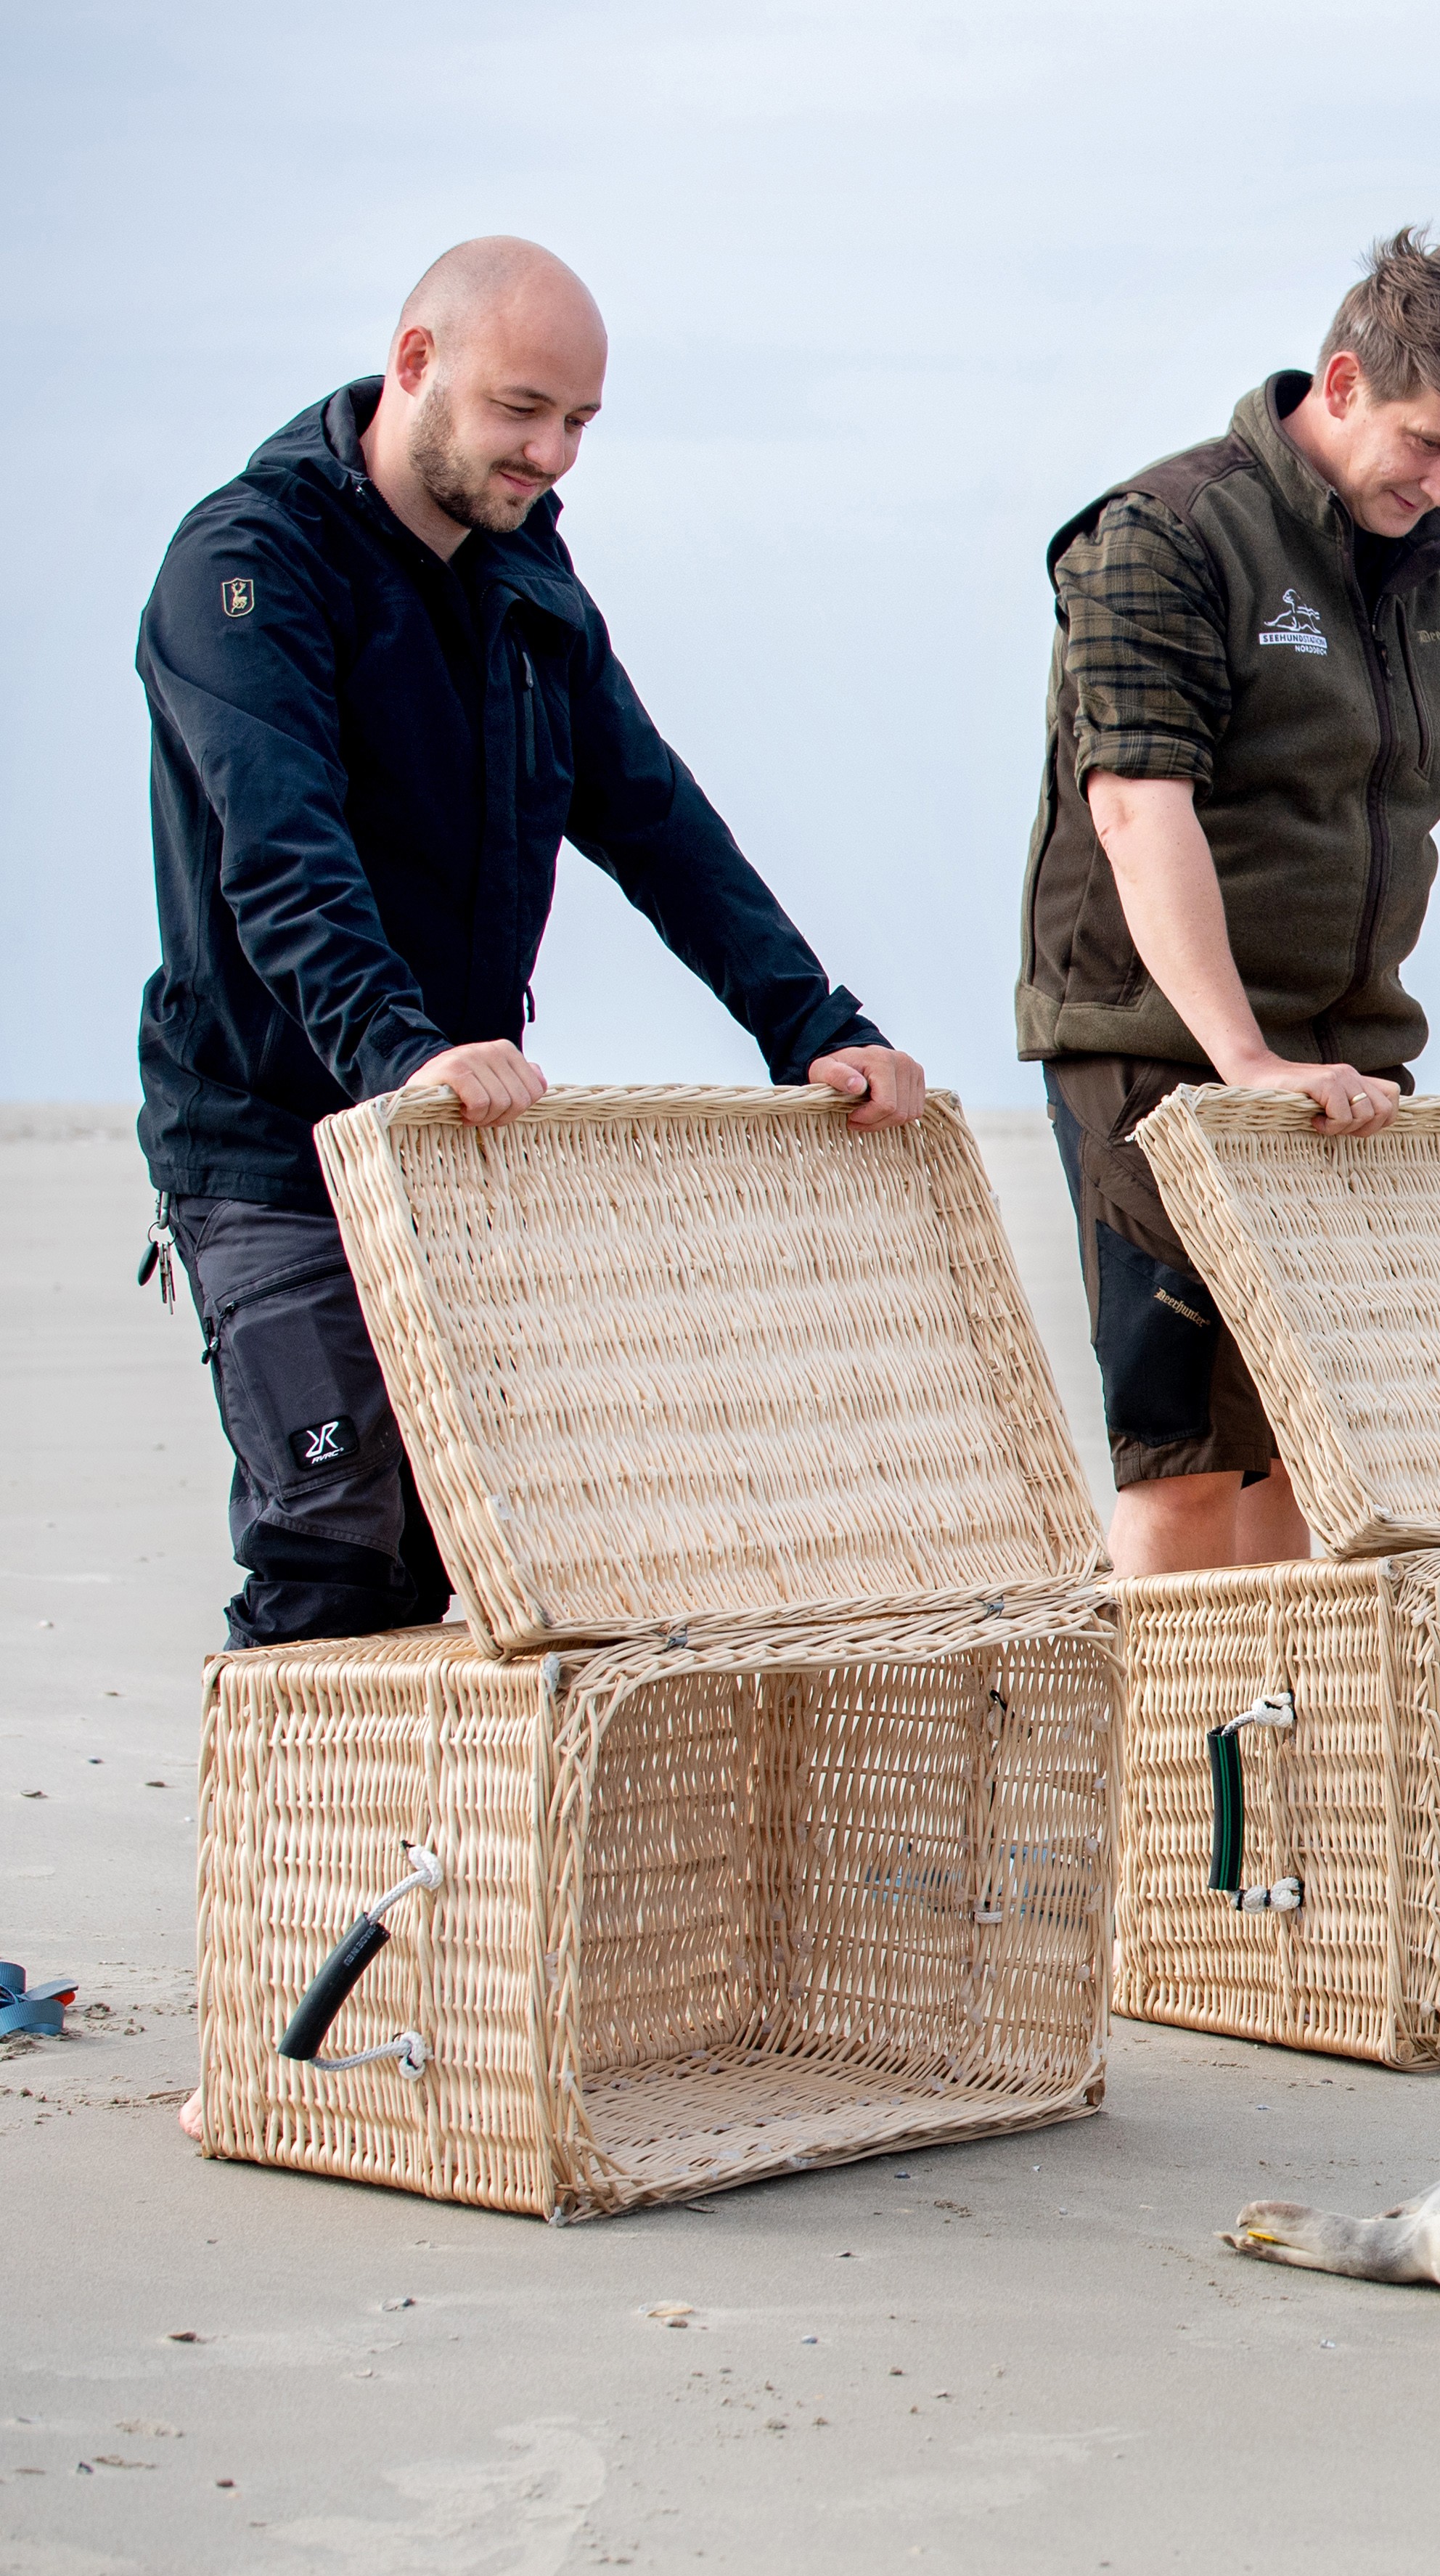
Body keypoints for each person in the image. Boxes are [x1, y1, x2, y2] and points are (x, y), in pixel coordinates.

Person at [135, 239, 928, 1650]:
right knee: (327, 1545)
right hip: (271, 1139)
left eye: (580, 424)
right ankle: (281, 1873)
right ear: (416, 363)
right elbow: (283, 854)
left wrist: (815, 1022)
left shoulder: (528, 581)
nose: (552, 454)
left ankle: (422, 1871)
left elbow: (654, 816)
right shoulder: (248, 564)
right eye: (523, 411)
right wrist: (404, 1052)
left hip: (451, 1142)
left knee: (461, 1547)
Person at [1015, 228, 1440, 1577]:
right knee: (1189, 1470)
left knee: (1316, 1470)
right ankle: (1165, 1785)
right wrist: (1245, 1061)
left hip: (1352, 1073)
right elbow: (1139, 807)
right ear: (1346, 379)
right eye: (1427, 443)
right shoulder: (1164, 535)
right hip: (1157, 1060)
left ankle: (1286, 1783)